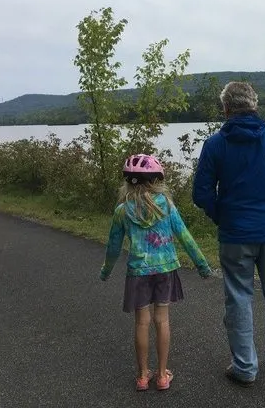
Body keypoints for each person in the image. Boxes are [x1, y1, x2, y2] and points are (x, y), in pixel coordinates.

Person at [192, 81, 265, 387]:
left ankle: (244, 368)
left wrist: (222, 216)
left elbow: (201, 192)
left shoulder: (215, 144)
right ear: (254, 105)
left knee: (238, 300)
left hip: (234, 236)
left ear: (226, 109)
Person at [100, 154, 213, 391]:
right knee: (162, 321)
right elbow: (185, 237)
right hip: (165, 270)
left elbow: (113, 246)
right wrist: (202, 265)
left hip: (138, 272)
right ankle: (162, 376)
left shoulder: (122, 211)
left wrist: (106, 271)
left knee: (142, 323)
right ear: (156, 180)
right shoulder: (167, 206)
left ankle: (142, 376)